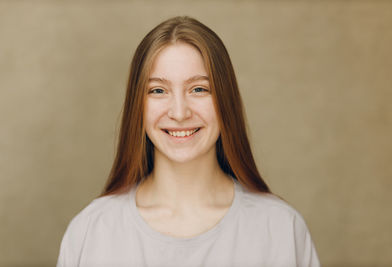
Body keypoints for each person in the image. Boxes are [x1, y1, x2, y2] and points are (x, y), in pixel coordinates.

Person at [57, 16, 320, 267]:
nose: (180, 113)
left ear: (225, 101)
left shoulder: (281, 229)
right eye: (158, 90)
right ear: (138, 104)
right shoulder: (91, 230)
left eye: (199, 89)